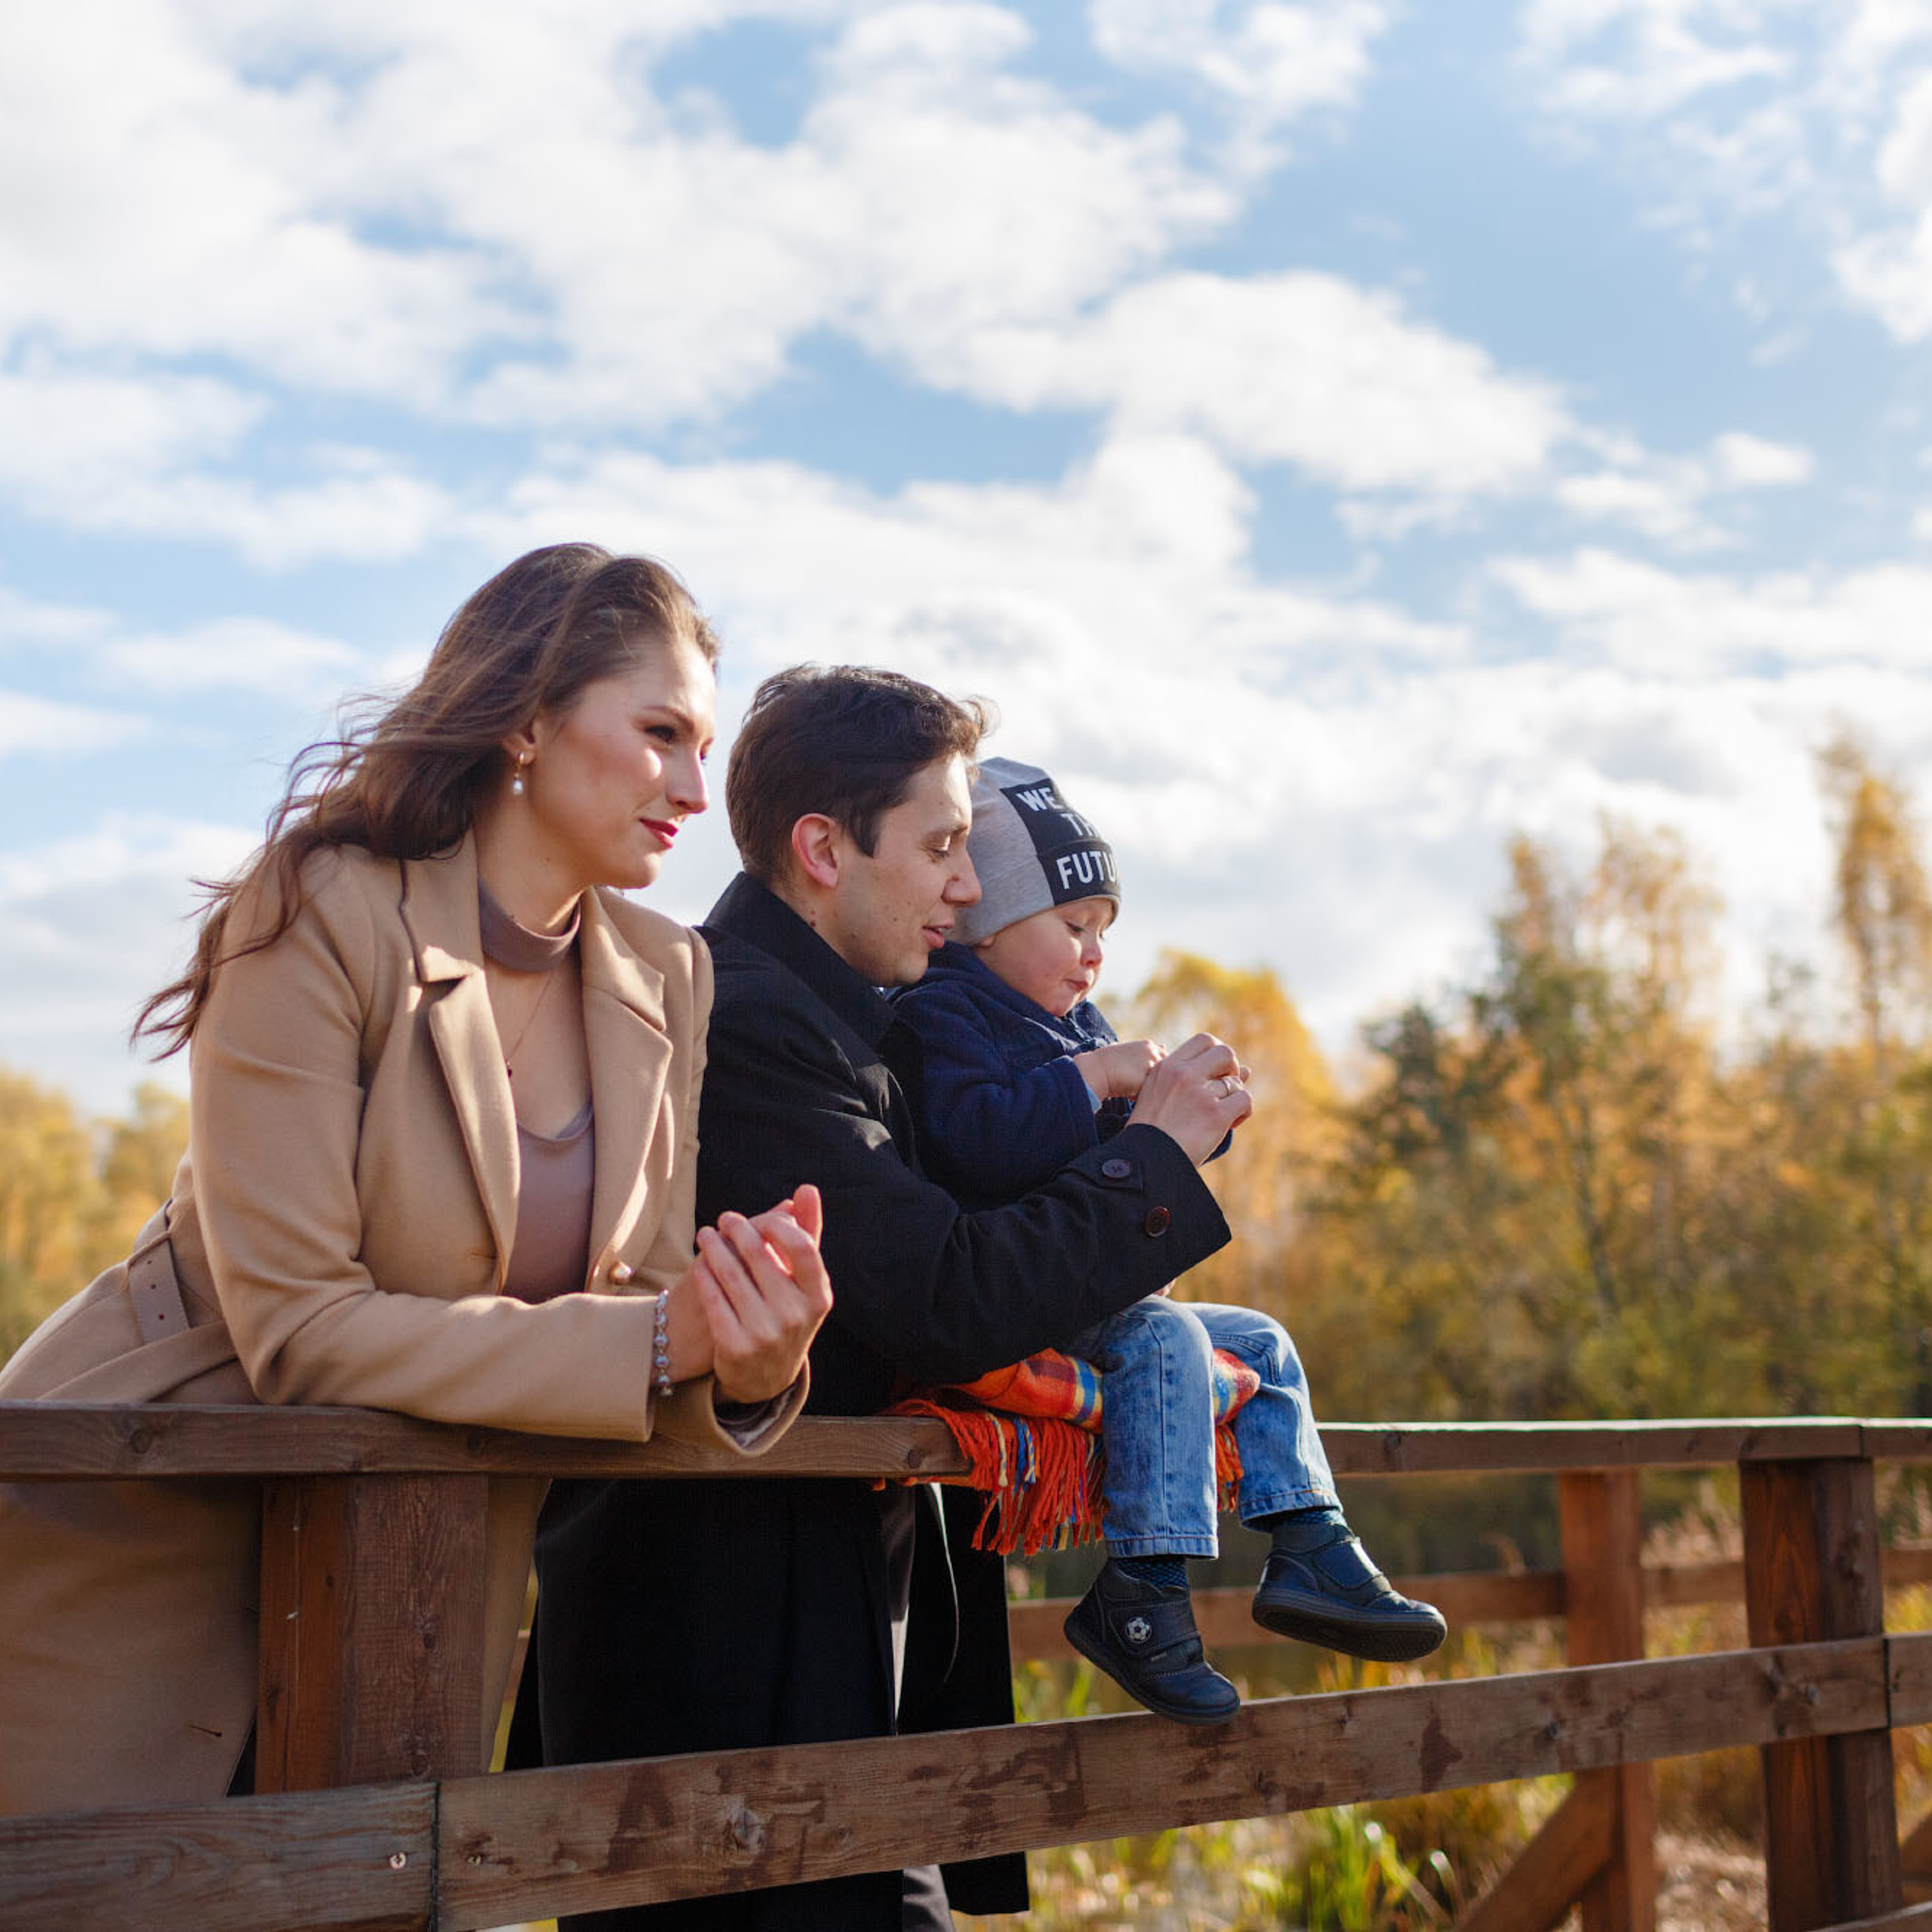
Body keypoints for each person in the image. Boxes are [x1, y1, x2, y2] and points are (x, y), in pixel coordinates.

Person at [0, 543, 831, 1820]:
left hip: (417, 1595)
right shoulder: (320, 909)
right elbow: (296, 1331)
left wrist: (749, 1357)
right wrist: (663, 1340)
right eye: (661, 732)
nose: (691, 788)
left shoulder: (673, 972)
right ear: (525, 721)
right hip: (137, 1530)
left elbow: (632, 1345)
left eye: (703, 746)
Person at [518, 666, 1252, 1932]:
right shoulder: (747, 1022)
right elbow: (940, 1295)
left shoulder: (854, 1016)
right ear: (822, 848)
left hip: (825, 1638)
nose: (968, 889)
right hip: (721, 1662)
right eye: (943, 848)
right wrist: (1156, 1161)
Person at [891, 756, 1447, 1726]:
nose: (1093, 953)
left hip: (1088, 1283)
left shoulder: (1076, 1023)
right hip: (1013, 1282)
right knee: (1168, 1340)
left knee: (1263, 1343)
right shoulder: (943, 1011)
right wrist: (1096, 1080)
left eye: (1104, 930)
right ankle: (1141, 1591)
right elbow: (971, 1138)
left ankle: (1311, 1546)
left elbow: (1125, 1155)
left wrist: (1191, 1121)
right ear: (982, 919)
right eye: (1072, 925)